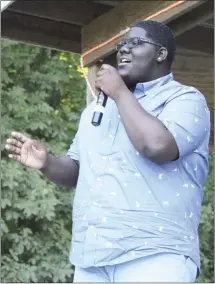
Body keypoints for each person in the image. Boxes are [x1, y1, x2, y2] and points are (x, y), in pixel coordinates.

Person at [5, 20, 210, 282]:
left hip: (154, 253)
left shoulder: (185, 99)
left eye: (135, 43)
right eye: (121, 45)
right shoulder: (96, 111)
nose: (123, 50)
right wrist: (47, 163)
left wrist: (120, 93)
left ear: (161, 53)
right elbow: (77, 170)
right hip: (92, 258)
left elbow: (157, 146)